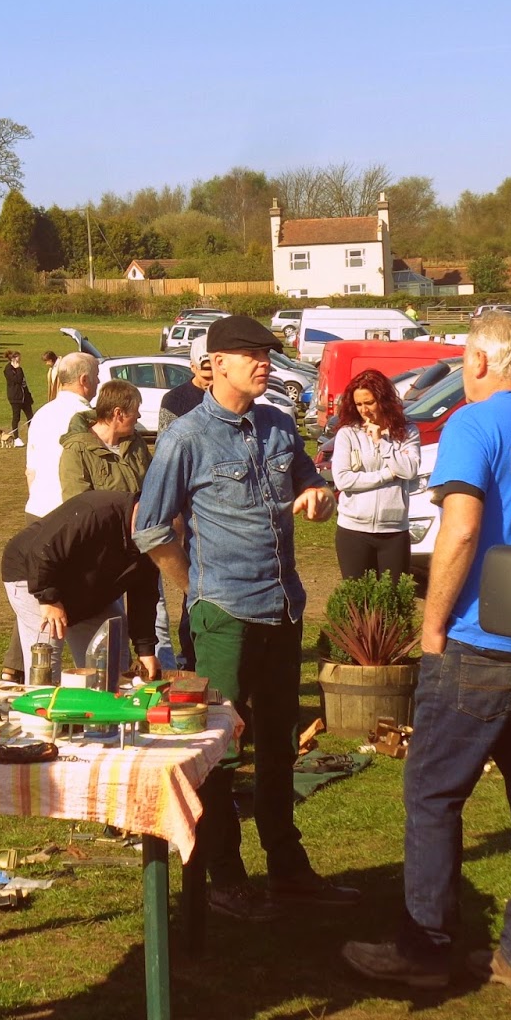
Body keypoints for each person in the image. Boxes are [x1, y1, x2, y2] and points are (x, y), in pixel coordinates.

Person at [342, 311, 511, 992]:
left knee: (432, 790)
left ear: (478, 361)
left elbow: (461, 529)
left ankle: (425, 948)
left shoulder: (473, 425)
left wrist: (433, 624)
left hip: (479, 641)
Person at [134, 314, 357, 921]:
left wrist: (319, 494)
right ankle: (224, 878)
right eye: (252, 354)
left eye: (267, 353)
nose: (264, 363)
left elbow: (311, 478)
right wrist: (196, 590)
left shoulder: (279, 424)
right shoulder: (186, 437)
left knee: (280, 745)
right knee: (219, 750)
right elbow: (149, 528)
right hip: (223, 615)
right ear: (218, 364)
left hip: (283, 609)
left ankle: (288, 869)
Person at [2, 490, 160, 686]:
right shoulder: (94, 512)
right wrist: (48, 599)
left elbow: (144, 595)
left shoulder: (153, 541)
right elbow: (42, 551)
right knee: (46, 653)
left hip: (82, 588)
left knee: (111, 642)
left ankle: (103, 702)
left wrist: (145, 650)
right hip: (33, 575)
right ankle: (42, 702)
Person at [330, 369, 423, 581]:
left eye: (369, 403)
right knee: (357, 596)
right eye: (358, 404)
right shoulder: (348, 434)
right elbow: (343, 480)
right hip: (353, 529)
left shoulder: (407, 432)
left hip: (394, 530)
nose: (364, 410)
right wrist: (387, 475)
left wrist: (381, 442)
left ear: (384, 400)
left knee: (393, 596)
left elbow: (410, 470)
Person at [25, 351, 99, 518]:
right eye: (96, 375)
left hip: (37, 511)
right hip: (71, 514)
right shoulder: (87, 418)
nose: (99, 381)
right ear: (84, 380)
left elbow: (30, 472)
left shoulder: (41, 414)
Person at [60, 378, 151, 500]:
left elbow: (155, 481)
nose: (138, 416)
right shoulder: (77, 451)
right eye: (135, 410)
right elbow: (79, 505)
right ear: (118, 413)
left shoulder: (136, 442)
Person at [159, 335, 213, 432]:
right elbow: (166, 439)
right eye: (206, 378)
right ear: (193, 367)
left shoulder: (231, 397)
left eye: (218, 378)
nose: (212, 383)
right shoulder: (174, 400)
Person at [3, 351, 34, 446]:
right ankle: (16, 438)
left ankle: (33, 437)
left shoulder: (19, 368)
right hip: (15, 397)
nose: (20, 360)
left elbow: (24, 383)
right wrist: (18, 369)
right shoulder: (8, 370)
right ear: (13, 359)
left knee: (30, 417)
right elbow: (17, 380)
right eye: (18, 358)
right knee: (16, 417)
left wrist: (28, 395)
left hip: (25, 397)